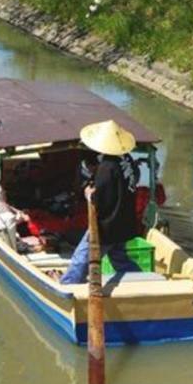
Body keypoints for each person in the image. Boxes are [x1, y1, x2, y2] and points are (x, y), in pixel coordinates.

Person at [60, 120, 141, 284]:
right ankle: (140, 279)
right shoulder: (127, 159)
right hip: (124, 221)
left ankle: (68, 285)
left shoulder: (107, 167)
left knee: (82, 257)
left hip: (108, 224)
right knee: (119, 257)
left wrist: (88, 194)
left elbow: (100, 199)